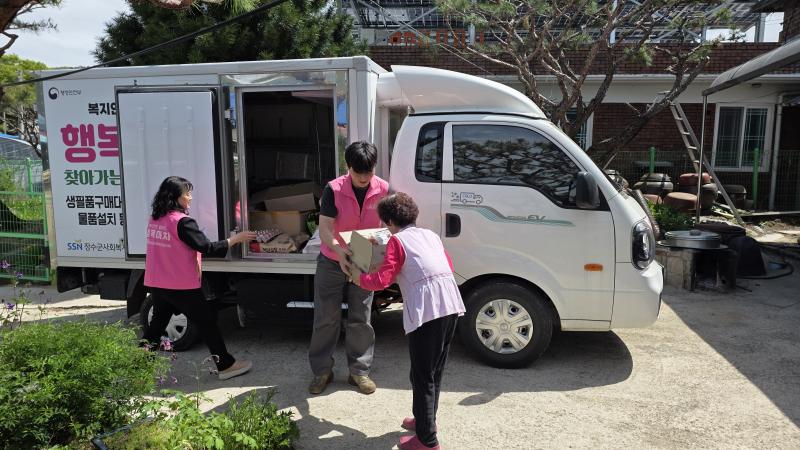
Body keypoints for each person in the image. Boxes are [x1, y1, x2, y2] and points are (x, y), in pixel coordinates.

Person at [349, 193, 465, 450]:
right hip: (450, 303)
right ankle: (426, 420)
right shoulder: (430, 235)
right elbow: (447, 263)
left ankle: (428, 441)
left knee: (423, 375)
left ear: (389, 221)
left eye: (384, 223)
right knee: (434, 370)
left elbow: (383, 279)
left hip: (428, 311)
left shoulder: (398, 242)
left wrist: (359, 279)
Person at [142, 176, 256, 381]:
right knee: (207, 323)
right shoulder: (183, 222)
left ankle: (137, 370)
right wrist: (236, 239)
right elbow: (207, 247)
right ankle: (226, 365)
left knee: (155, 328)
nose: (190, 198)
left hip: (159, 283)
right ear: (176, 197)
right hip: (181, 285)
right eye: (187, 193)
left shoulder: (156, 219)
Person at [307, 141, 389, 395]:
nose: (364, 178)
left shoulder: (384, 189)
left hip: (365, 261)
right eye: (358, 172)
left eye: (369, 172)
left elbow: (390, 225)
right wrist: (340, 251)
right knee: (326, 318)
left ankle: (359, 373)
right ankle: (322, 371)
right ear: (348, 166)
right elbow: (326, 229)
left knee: (361, 318)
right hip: (333, 259)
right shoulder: (334, 189)